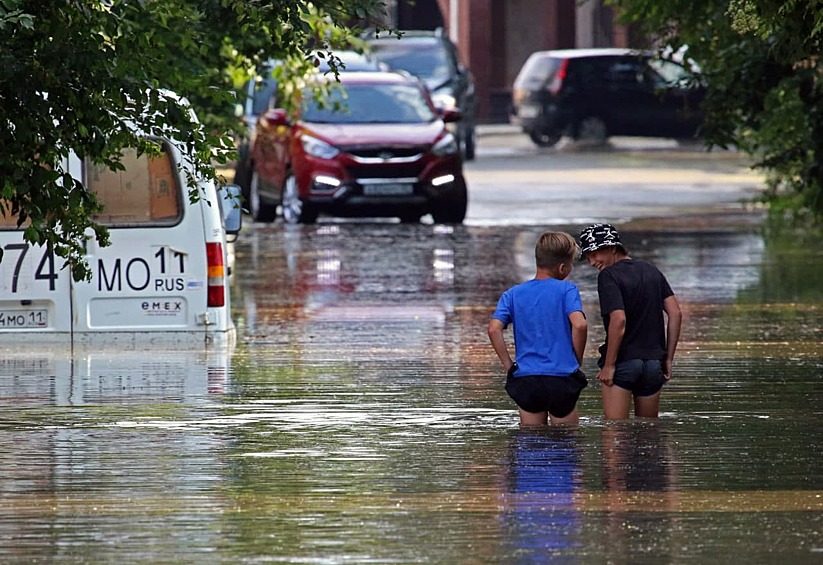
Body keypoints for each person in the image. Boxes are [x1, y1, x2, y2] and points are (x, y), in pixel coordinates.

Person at [578, 223, 682, 419]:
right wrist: (667, 358)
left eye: (593, 254)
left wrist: (609, 365)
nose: (591, 262)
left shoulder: (608, 276)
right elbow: (675, 313)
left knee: (615, 434)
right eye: (588, 258)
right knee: (648, 435)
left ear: (610, 248)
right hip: (653, 364)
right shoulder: (651, 270)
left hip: (623, 363)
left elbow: (618, 320)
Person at [488, 231, 588, 426]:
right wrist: (576, 360)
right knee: (567, 441)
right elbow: (580, 324)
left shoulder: (513, 294)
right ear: (562, 267)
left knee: (531, 442)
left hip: (527, 378)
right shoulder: (567, 290)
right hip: (561, 377)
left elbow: (493, 329)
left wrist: (509, 366)